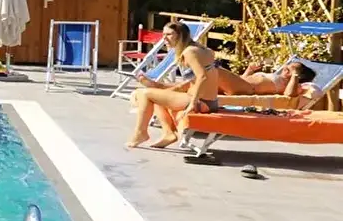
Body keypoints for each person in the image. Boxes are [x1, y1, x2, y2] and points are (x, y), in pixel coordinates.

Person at [127, 20, 222, 149]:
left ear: (180, 35)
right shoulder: (201, 49)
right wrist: (159, 86)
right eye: (163, 34)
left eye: (169, 34)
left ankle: (141, 133)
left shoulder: (190, 52)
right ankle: (168, 134)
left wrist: (192, 103)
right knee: (156, 95)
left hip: (201, 102)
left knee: (144, 93)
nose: (164, 38)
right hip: (208, 101)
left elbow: (202, 77)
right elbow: (193, 80)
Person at [220, 59, 316, 98]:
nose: (287, 67)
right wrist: (250, 70)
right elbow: (243, 79)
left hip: (246, 88)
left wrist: (295, 75)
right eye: (289, 65)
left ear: (299, 75)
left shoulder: (294, 85)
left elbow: (289, 94)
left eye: (293, 68)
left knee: (215, 69)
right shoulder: (276, 76)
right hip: (237, 84)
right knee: (213, 72)